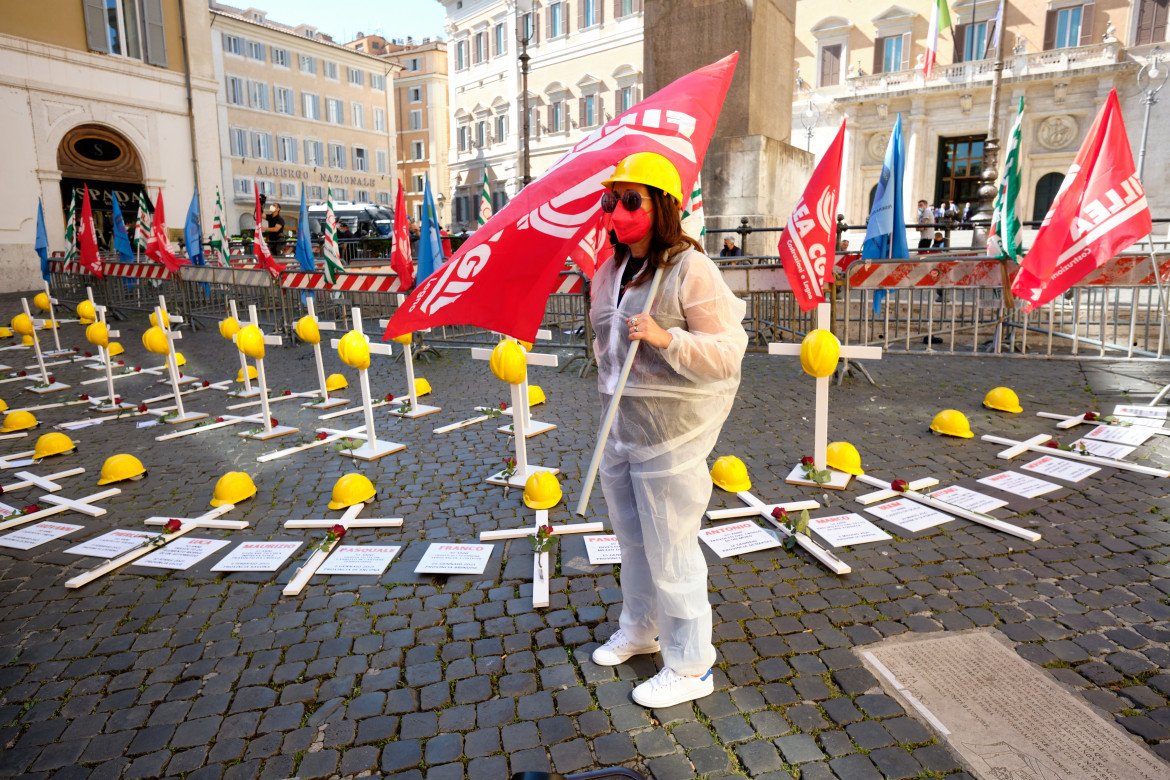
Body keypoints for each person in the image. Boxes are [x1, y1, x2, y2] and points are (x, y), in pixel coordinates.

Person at [588, 152, 748, 709]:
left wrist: (666, 339)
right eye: (612, 200)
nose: (618, 211)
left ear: (662, 206)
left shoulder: (690, 269)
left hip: (673, 440)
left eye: (632, 200)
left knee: (673, 546)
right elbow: (606, 353)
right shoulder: (608, 273)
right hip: (621, 433)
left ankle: (690, 663)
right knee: (631, 542)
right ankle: (640, 628)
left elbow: (729, 353)